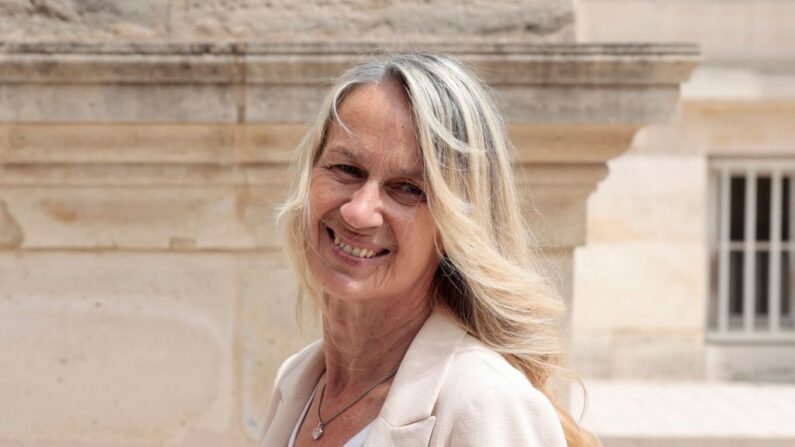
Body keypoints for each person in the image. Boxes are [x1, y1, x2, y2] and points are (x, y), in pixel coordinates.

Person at [258, 52, 599, 447]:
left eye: (408, 189)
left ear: (455, 226)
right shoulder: (297, 381)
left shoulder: (485, 401)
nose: (359, 212)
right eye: (347, 170)